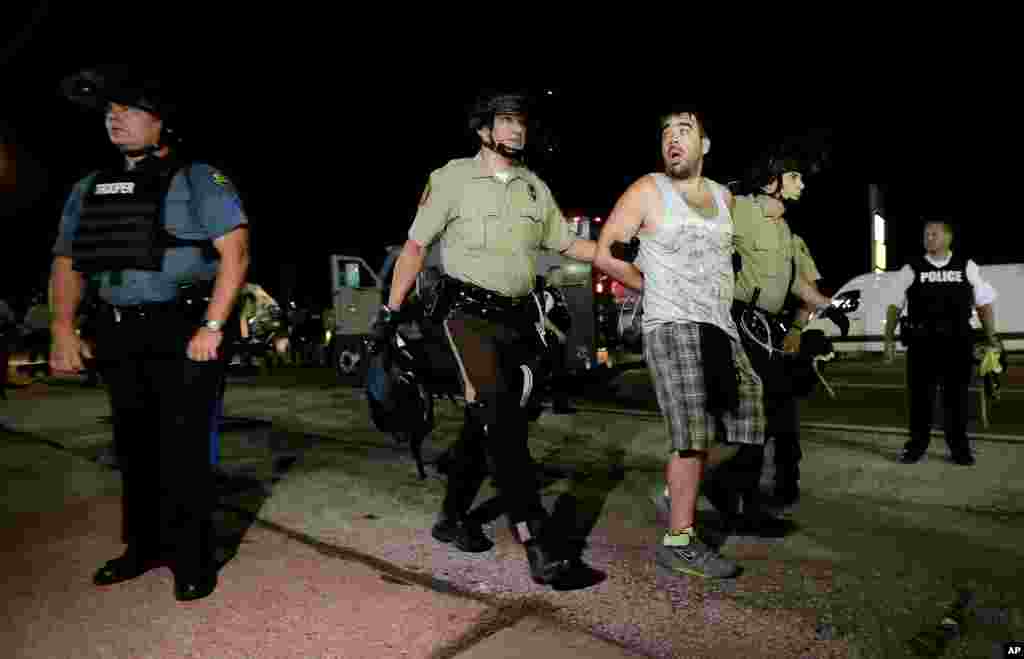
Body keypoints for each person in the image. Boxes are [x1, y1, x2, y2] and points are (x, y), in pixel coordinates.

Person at [377, 89, 596, 586]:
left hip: (518, 320)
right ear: (483, 130)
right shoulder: (451, 178)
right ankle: (537, 540)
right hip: (463, 314)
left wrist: (624, 257)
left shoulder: (535, 188)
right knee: (499, 413)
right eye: (506, 121)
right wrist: (390, 311)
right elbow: (415, 246)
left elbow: (571, 243)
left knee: (491, 419)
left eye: (521, 121)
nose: (517, 130)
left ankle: (452, 516)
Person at [48, 68, 249, 601]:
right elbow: (68, 261)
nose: (115, 118)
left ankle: (193, 557)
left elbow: (236, 252)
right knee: (133, 448)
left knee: (183, 449)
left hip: (182, 329)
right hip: (117, 331)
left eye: (130, 110)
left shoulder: (199, 177)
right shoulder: (89, 187)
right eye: (110, 110)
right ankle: (143, 547)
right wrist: (63, 329)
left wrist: (212, 325)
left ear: (161, 123)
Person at [594, 104, 765, 579]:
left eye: (685, 130)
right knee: (690, 435)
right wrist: (653, 285)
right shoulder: (649, 190)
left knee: (748, 418)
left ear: (704, 145)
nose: (674, 139)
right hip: (671, 323)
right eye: (667, 132)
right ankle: (680, 541)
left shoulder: (724, 198)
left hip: (718, 325)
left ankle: (676, 489)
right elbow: (607, 253)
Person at [704, 144, 850, 529]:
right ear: (772, 182)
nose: (803, 183)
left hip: (766, 327)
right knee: (757, 412)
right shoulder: (741, 209)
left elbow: (798, 284)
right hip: (738, 321)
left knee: (775, 412)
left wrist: (829, 306)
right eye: (795, 176)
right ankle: (734, 496)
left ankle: (733, 491)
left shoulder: (784, 227)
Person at [885, 219, 999, 466]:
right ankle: (916, 447)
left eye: (934, 234)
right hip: (921, 343)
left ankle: (959, 449)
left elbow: (984, 304)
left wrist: (992, 338)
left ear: (948, 238)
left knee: (956, 399)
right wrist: (888, 340)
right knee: (920, 400)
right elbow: (894, 305)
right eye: (926, 234)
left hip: (957, 343)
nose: (928, 238)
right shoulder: (911, 268)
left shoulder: (966, 266)